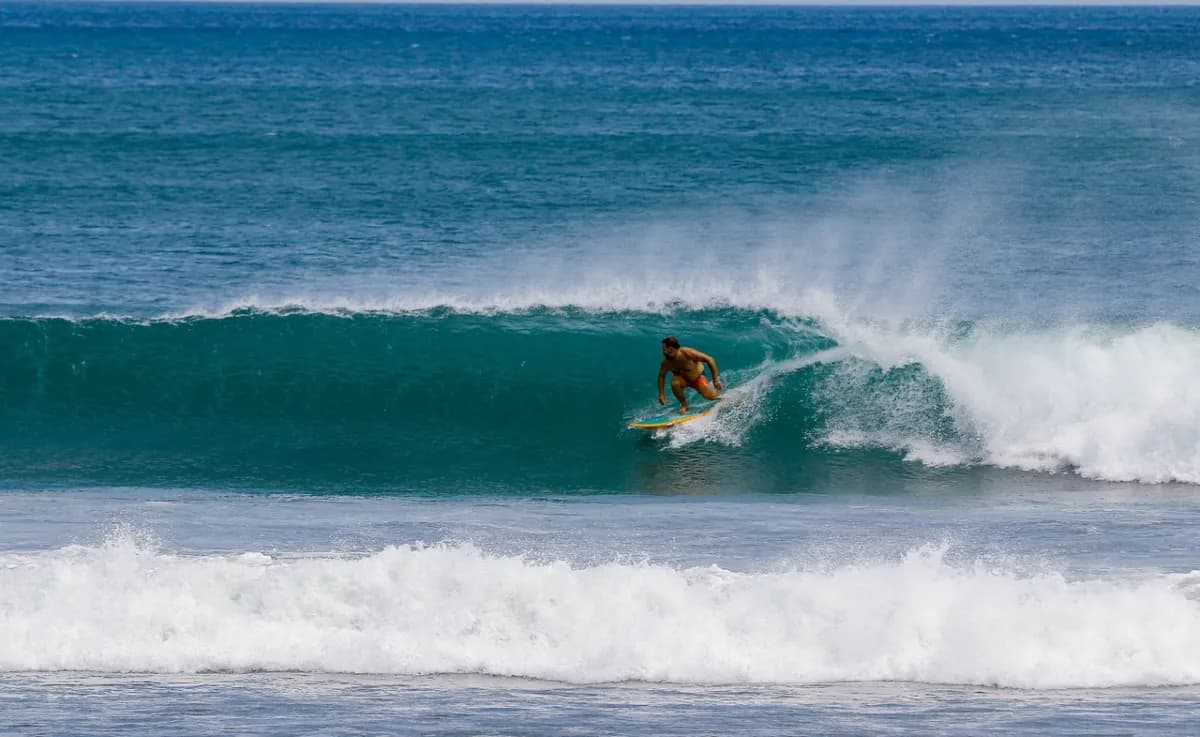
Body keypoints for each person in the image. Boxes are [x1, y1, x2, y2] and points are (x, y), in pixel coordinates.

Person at [657, 336, 723, 414]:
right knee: (675, 383)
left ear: (672, 348)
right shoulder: (666, 363)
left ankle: (724, 399)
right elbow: (661, 376)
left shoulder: (687, 353)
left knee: (710, 396)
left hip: (697, 378)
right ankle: (684, 405)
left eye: (665, 349)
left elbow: (710, 359)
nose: (664, 352)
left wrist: (715, 380)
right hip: (683, 380)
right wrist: (661, 394)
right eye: (663, 350)